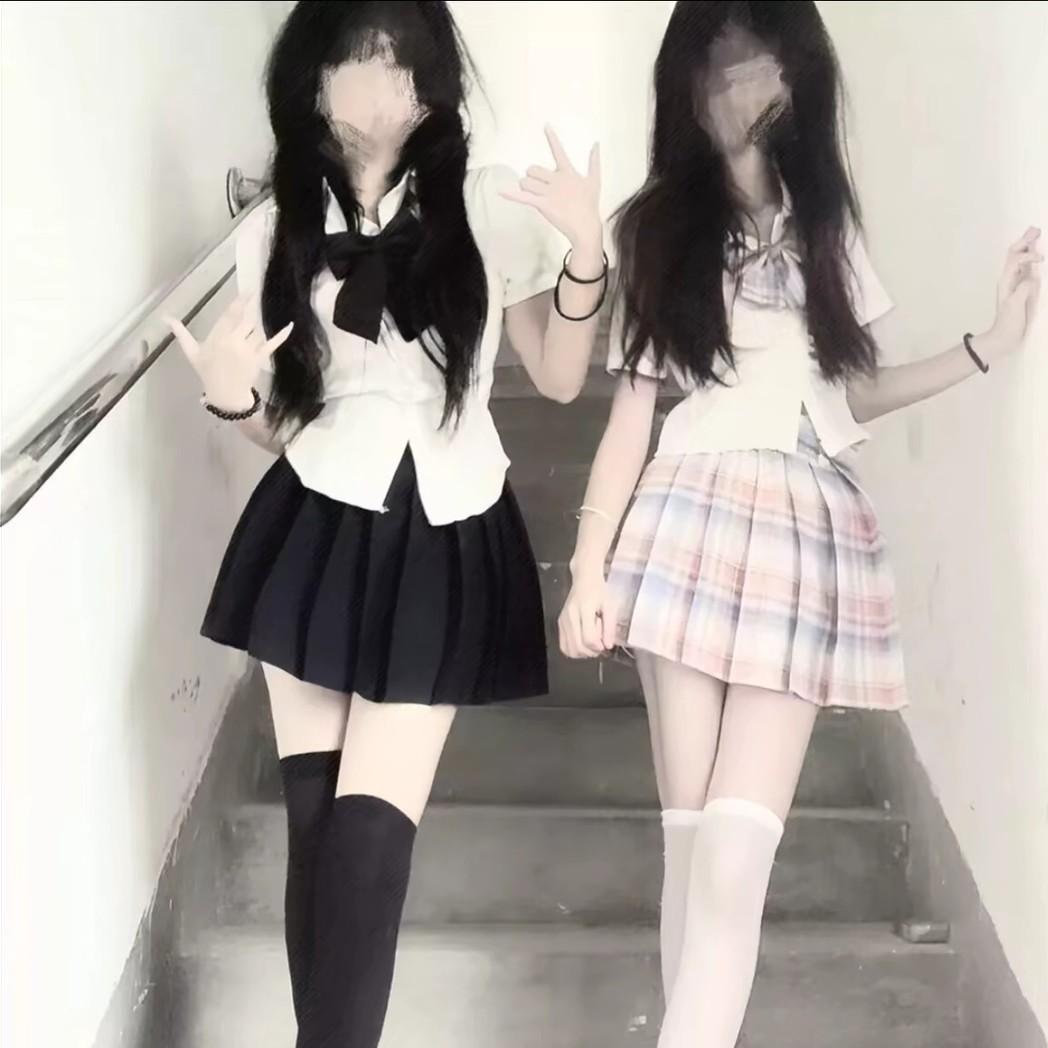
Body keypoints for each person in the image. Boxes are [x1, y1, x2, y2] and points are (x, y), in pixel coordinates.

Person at [557, 3, 1041, 1046]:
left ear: (794, 77)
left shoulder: (828, 227)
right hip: (682, 517)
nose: (740, 84)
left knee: (734, 856)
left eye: (759, 61)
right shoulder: (652, 228)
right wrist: (587, 568)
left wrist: (986, 348)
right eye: (720, 62)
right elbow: (632, 411)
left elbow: (848, 392)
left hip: (798, 530)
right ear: (687, 83)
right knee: (692, 849)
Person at [168, 3, 605, 1045]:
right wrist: (233, 399)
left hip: (447, 529)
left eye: (403, 57)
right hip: (316, 523)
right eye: (358, 54)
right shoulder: (275, 230)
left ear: (434, 84)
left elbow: (558, 375)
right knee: (318, 832)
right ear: (311, 79)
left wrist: (586, 255)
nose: (382, 77)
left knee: (369, 840)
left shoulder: (486, 209)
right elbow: (282, 425)